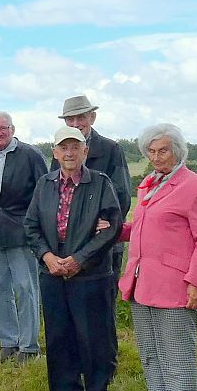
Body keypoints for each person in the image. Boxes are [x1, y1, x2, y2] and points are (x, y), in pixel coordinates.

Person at [119, 124, 197, 391]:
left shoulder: (196, 187)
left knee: (177, 359)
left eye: (163, 150)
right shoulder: (149, 184)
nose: (156, 156)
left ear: (178, 150)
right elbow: (149, 229)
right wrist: (118, 230)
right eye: (150, 150)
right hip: (141, 283)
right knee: (150, 356)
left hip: (176, 288)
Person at [24, 127, 122, 391]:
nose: (69, 153)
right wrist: (47, 257)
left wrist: (80, 259)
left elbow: (112, 227)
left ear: (85, 152)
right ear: (55, 153)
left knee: (93, 340)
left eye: (75, 147)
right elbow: (30, 226)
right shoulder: (45, 184)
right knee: (59, 337)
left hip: (90, 274)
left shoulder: (101, 184)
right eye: (63, 147)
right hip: (52, 272)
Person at [0, 112, 48, 363]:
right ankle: (9, 342)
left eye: (3, 128)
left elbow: (45, 193)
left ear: (13, 129)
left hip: (23, 232)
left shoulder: (30, 155)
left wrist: (39, 232)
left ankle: (29, 347)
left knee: (25, 288)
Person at [52, 95, 132, 282]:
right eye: (70, 119)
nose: (75, 123)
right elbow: (53, 192)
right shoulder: (60, 150)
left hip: (103, 241)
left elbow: (122, 194)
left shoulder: (110, 149)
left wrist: (109, 224)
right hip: (68, 243)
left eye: (81, 117)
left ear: (92, 118)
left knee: (102, 299)